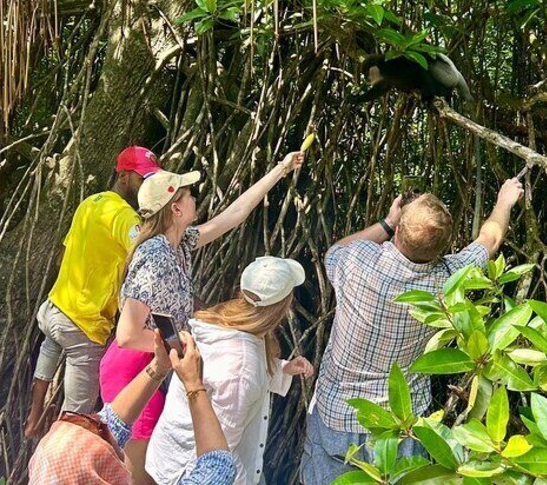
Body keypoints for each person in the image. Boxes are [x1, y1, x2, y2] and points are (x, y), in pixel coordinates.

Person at [300, 178, 525, 484]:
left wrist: (387, 222)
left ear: (399, 232)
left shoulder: (358, 262)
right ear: (442, 247)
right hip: (401, 425)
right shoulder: (448, 281)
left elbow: (335, 251)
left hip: (336, 416)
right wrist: (504, 200)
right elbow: (491, 239)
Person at [100, 152, 305, 484]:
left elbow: (234, 215)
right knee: (137, 475)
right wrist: (181, 346)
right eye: (188, 194)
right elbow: (126, 335)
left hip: (160, 363)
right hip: (134, 368)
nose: (196, 198)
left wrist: (280, 170)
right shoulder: (154, 256)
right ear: (176, 209)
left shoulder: (180, 244)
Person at [24, 146, 161, 438]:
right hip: (83, 325)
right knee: (77, 416)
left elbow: (64, 255)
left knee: (48, 353)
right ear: (123, 176)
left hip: (55, 309)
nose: (146, 185)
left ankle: (33, 419)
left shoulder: (89, 203)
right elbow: (147, 258)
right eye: (142, 177)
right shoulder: (125, 217)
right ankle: (59, 465)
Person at [146, 256, 315, 485]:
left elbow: (220, 372)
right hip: (192, 471)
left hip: (171, 453)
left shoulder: (220, 320)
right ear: (282, 307)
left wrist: (282, 368)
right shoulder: (243, 369)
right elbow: (219, 452)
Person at [29, 329, 238, 485]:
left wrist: (159, 367)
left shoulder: (47, 474)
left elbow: (109, 424)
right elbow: (218, 467)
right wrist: (194, 385)